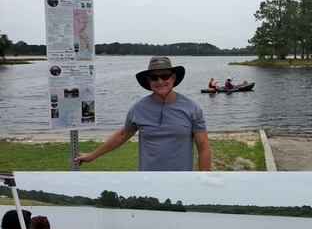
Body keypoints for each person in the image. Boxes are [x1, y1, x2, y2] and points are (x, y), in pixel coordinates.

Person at [75, 57, 210, 171]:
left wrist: (204, 179)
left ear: (173, 78)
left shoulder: (192, 108)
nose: (160, 81)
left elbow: (203, 147)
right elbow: (122, 135)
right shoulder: (138, 108)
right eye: (154, 77)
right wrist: (91, 156)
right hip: (147, 179)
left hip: (182, 180)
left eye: (165, 76)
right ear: (148, 80)